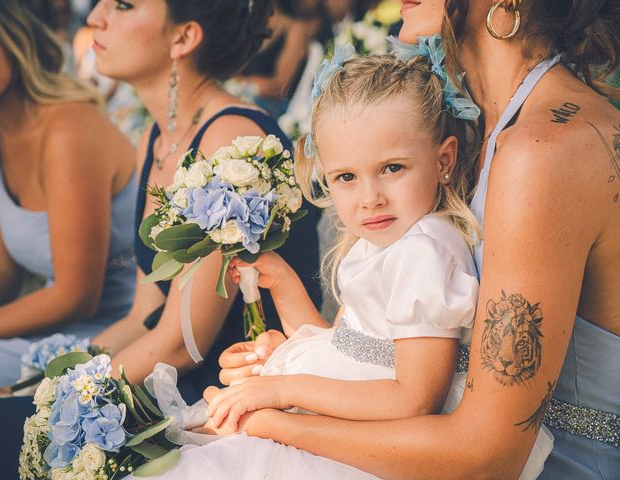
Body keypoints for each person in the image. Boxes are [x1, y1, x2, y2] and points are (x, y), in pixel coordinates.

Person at [217, 1, 620, 478]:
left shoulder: (542, 150)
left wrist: (271, 421)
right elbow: (377, 349)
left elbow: (486, 454)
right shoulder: (443, 124)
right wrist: (287, 365)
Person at [126, 46, 549, 479]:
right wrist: (285, 289)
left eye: (392, 168)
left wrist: (281, 389)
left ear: (443, 160)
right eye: (346, 177)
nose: (370, 198)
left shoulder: (423, 253)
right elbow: (348, 348)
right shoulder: (384, 241)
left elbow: (414, 398)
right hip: (349, 424)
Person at [86, 0, 322, 398]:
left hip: (236, 390)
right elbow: (144, 314)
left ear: (184, 37)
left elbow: (182, 345)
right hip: (170, 377)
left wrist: (76, 393)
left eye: (123, 6)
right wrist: (55, 374)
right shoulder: (157, 141)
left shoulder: (230, 140)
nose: (95, 17)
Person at [0, 0, 137, 391]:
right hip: (53, 333)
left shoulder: (68, 127)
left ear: (17, 39)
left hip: (121, 334)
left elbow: (77, 295)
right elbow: (1, 273)